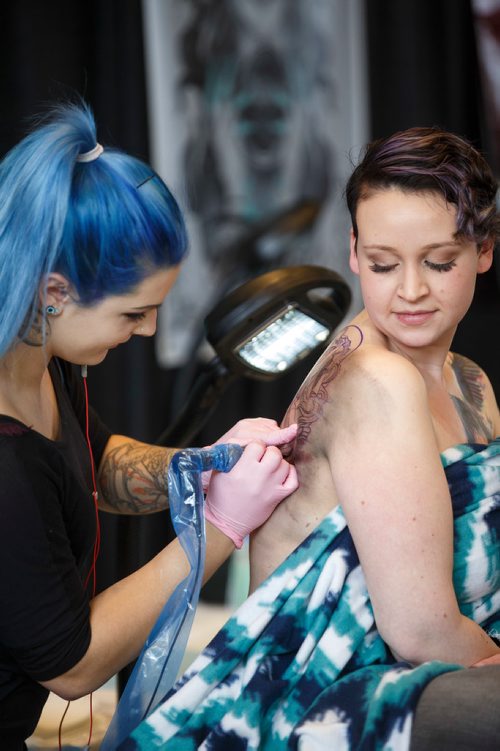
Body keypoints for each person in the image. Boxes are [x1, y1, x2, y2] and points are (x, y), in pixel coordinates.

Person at [124, 127, 500, 750]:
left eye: (439, 262)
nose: (410, 290)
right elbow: (418, 631)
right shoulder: (378, 380)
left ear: (484, 249)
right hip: (330, 694)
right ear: (353, 252)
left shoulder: (471, 382)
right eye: (382, 264)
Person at [0, 102, 299, 750]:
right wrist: (217, 529)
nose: (149, 331)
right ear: (54, 292)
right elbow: (72, 663)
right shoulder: (4, 460)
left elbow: (97, 460)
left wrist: (197, 466)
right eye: (134, 312)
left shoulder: (39, 356)